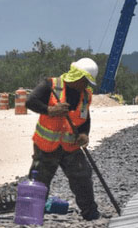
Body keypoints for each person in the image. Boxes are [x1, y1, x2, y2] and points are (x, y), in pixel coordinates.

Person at [25, 57, 101, 221]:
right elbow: (30, 102)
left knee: (82, 177)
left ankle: (90, 213)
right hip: (46, 146)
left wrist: (84, 134)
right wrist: (50, 110)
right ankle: (31, 217)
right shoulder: (50, 85)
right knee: (39, 181)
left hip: (70, 147)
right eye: (85, 81)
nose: (86, 85)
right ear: (77, 77)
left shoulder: (86, 95)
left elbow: (85, 117)